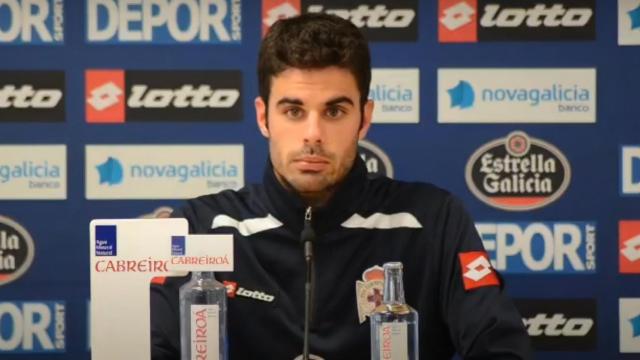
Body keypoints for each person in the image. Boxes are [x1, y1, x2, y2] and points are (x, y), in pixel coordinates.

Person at [151, 13, 532, 360]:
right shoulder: (201, 226)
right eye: (293, 111)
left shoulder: (433, 221)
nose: (313, 134)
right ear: (263, 117)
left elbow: (501, 350)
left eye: (334, 111)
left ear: (364, 119)